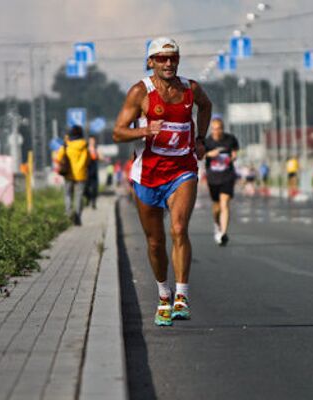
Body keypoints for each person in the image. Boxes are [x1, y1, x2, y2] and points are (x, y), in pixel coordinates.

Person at [113, 37, 212, 326]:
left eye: (173, 58)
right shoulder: (139, 93)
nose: (168, 63)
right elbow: (118, 133)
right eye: (161, 58)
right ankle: (164, 294)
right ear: (150, 62)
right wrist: (144, 130)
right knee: (155, 242)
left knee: (179, 228)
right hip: (147, 175)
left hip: (183, 170)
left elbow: (206, 106)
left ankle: (181, 295)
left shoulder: (191, 89)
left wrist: (200, 138)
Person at [204, 117, 239, 246]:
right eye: (213, 129)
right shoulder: (207, 142)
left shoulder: (230, 139)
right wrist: (209, 154)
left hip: (227, 176)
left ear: (222, 129)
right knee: (216, 207)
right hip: (213, 178)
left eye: (218, 129)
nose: (216, 132)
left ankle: (223, 233)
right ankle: (217, 224)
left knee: (224, 203)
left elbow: (234, 152)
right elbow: (200, 155)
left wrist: (233, 157)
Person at [56, 125, 90, 226]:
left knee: (68, 194)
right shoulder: (84, 145)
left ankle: (69, 213)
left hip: (68, 174)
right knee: (79, 196)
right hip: (81, 175)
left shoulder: (67, 145)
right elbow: (86, 160)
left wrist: (65, 142)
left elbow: (59, 157)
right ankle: (78, 216)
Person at [84, 135, 100, 209]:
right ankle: (88, 198)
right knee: (85, 188)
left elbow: (100, 157)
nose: (92, 142)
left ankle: (93, 202)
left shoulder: (96, 149)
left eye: (93, 141)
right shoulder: (85, 149)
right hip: (87, 170)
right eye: (91, 141)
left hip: (94, 171)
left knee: (94, 188)